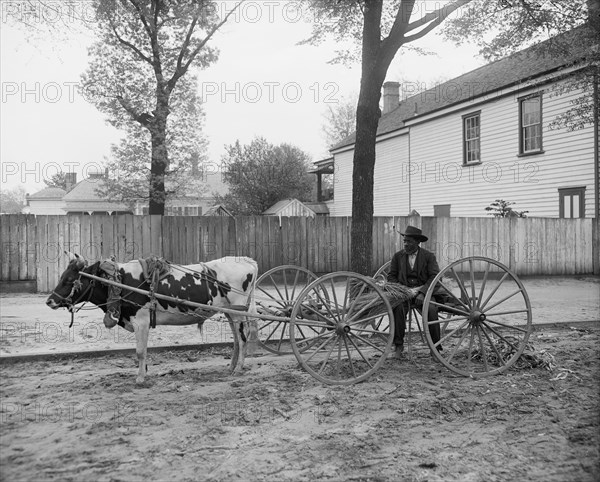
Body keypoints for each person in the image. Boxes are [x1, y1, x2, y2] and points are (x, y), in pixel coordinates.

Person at [387, 225, 442, 359]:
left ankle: (435, 348)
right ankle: (398, 346)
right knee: (397, 308)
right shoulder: (397, 257)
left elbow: (434, 277)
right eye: (404, 241)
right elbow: (391, 277)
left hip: (424, 293)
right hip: (404, 294)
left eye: (409, 241)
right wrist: (402, 290)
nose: (405, 244)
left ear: (417, 242)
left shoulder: (428, 257)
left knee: (431, 310)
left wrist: (423, 293)